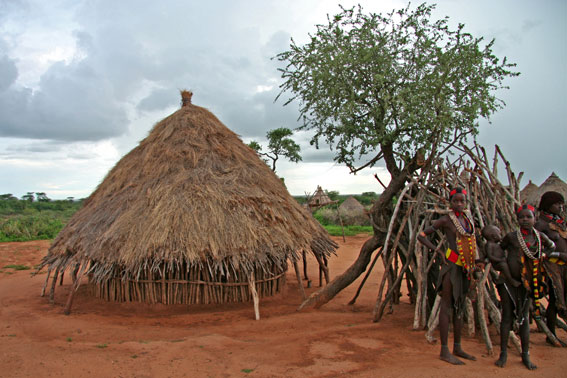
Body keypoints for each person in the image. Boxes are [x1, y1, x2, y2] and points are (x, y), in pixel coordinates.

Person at [495, 204, 566, 370]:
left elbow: (551, 247)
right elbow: (499, 250)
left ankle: (525, 355)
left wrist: (542, 257)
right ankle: (503, 353)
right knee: (506, 317)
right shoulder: (512, 237)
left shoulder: (540, 237)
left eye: (528, 217)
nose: (525, 220)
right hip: (508, 282)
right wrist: (504, 267)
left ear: (535, 219)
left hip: (529, 283)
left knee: (525, 319)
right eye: (522, 217)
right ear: (517, 220)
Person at [418, 187, 481, 365]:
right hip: (451, 267)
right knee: (446, 307)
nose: (459, 204)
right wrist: (437, 251)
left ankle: (458, 347)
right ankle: (444, 351)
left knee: (459, 306)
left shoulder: (468, 220)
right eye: (456, 201)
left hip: (465, 269)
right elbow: (421, 235)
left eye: (462, 201)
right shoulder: (446, 220)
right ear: (450, 202)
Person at [534, 191, 567, 345]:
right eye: (556, 204)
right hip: (552, 266)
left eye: (561, 203)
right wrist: (560, 254)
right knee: (555, 300)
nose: (560, 207)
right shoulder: (541, 224)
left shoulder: (559, 222)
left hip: (564, 265)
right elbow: (539, 249)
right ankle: (551, 334)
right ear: (548, 205)